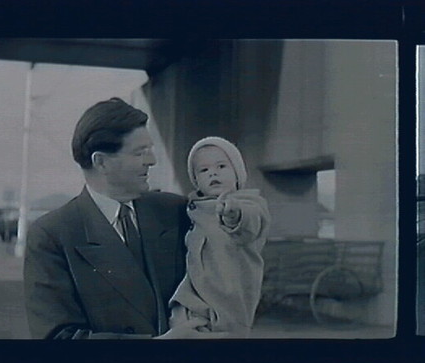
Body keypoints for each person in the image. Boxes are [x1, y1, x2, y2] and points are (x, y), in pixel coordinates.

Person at [24, 98, 225, 339]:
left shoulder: (177, 210)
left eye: (150, 150)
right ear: (101, 162)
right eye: (140, 152)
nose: (152, 161)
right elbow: (57, 338)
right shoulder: (52, 235)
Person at [168, 136, 271, 338]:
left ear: (237, 174)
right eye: (204, 170)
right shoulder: (195, 209)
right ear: (196, 181)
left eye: (221, 166)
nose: (213, 173)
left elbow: (252, 224)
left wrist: (234, 214)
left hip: (230, 294)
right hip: (196, 295)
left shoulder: (249, 203)